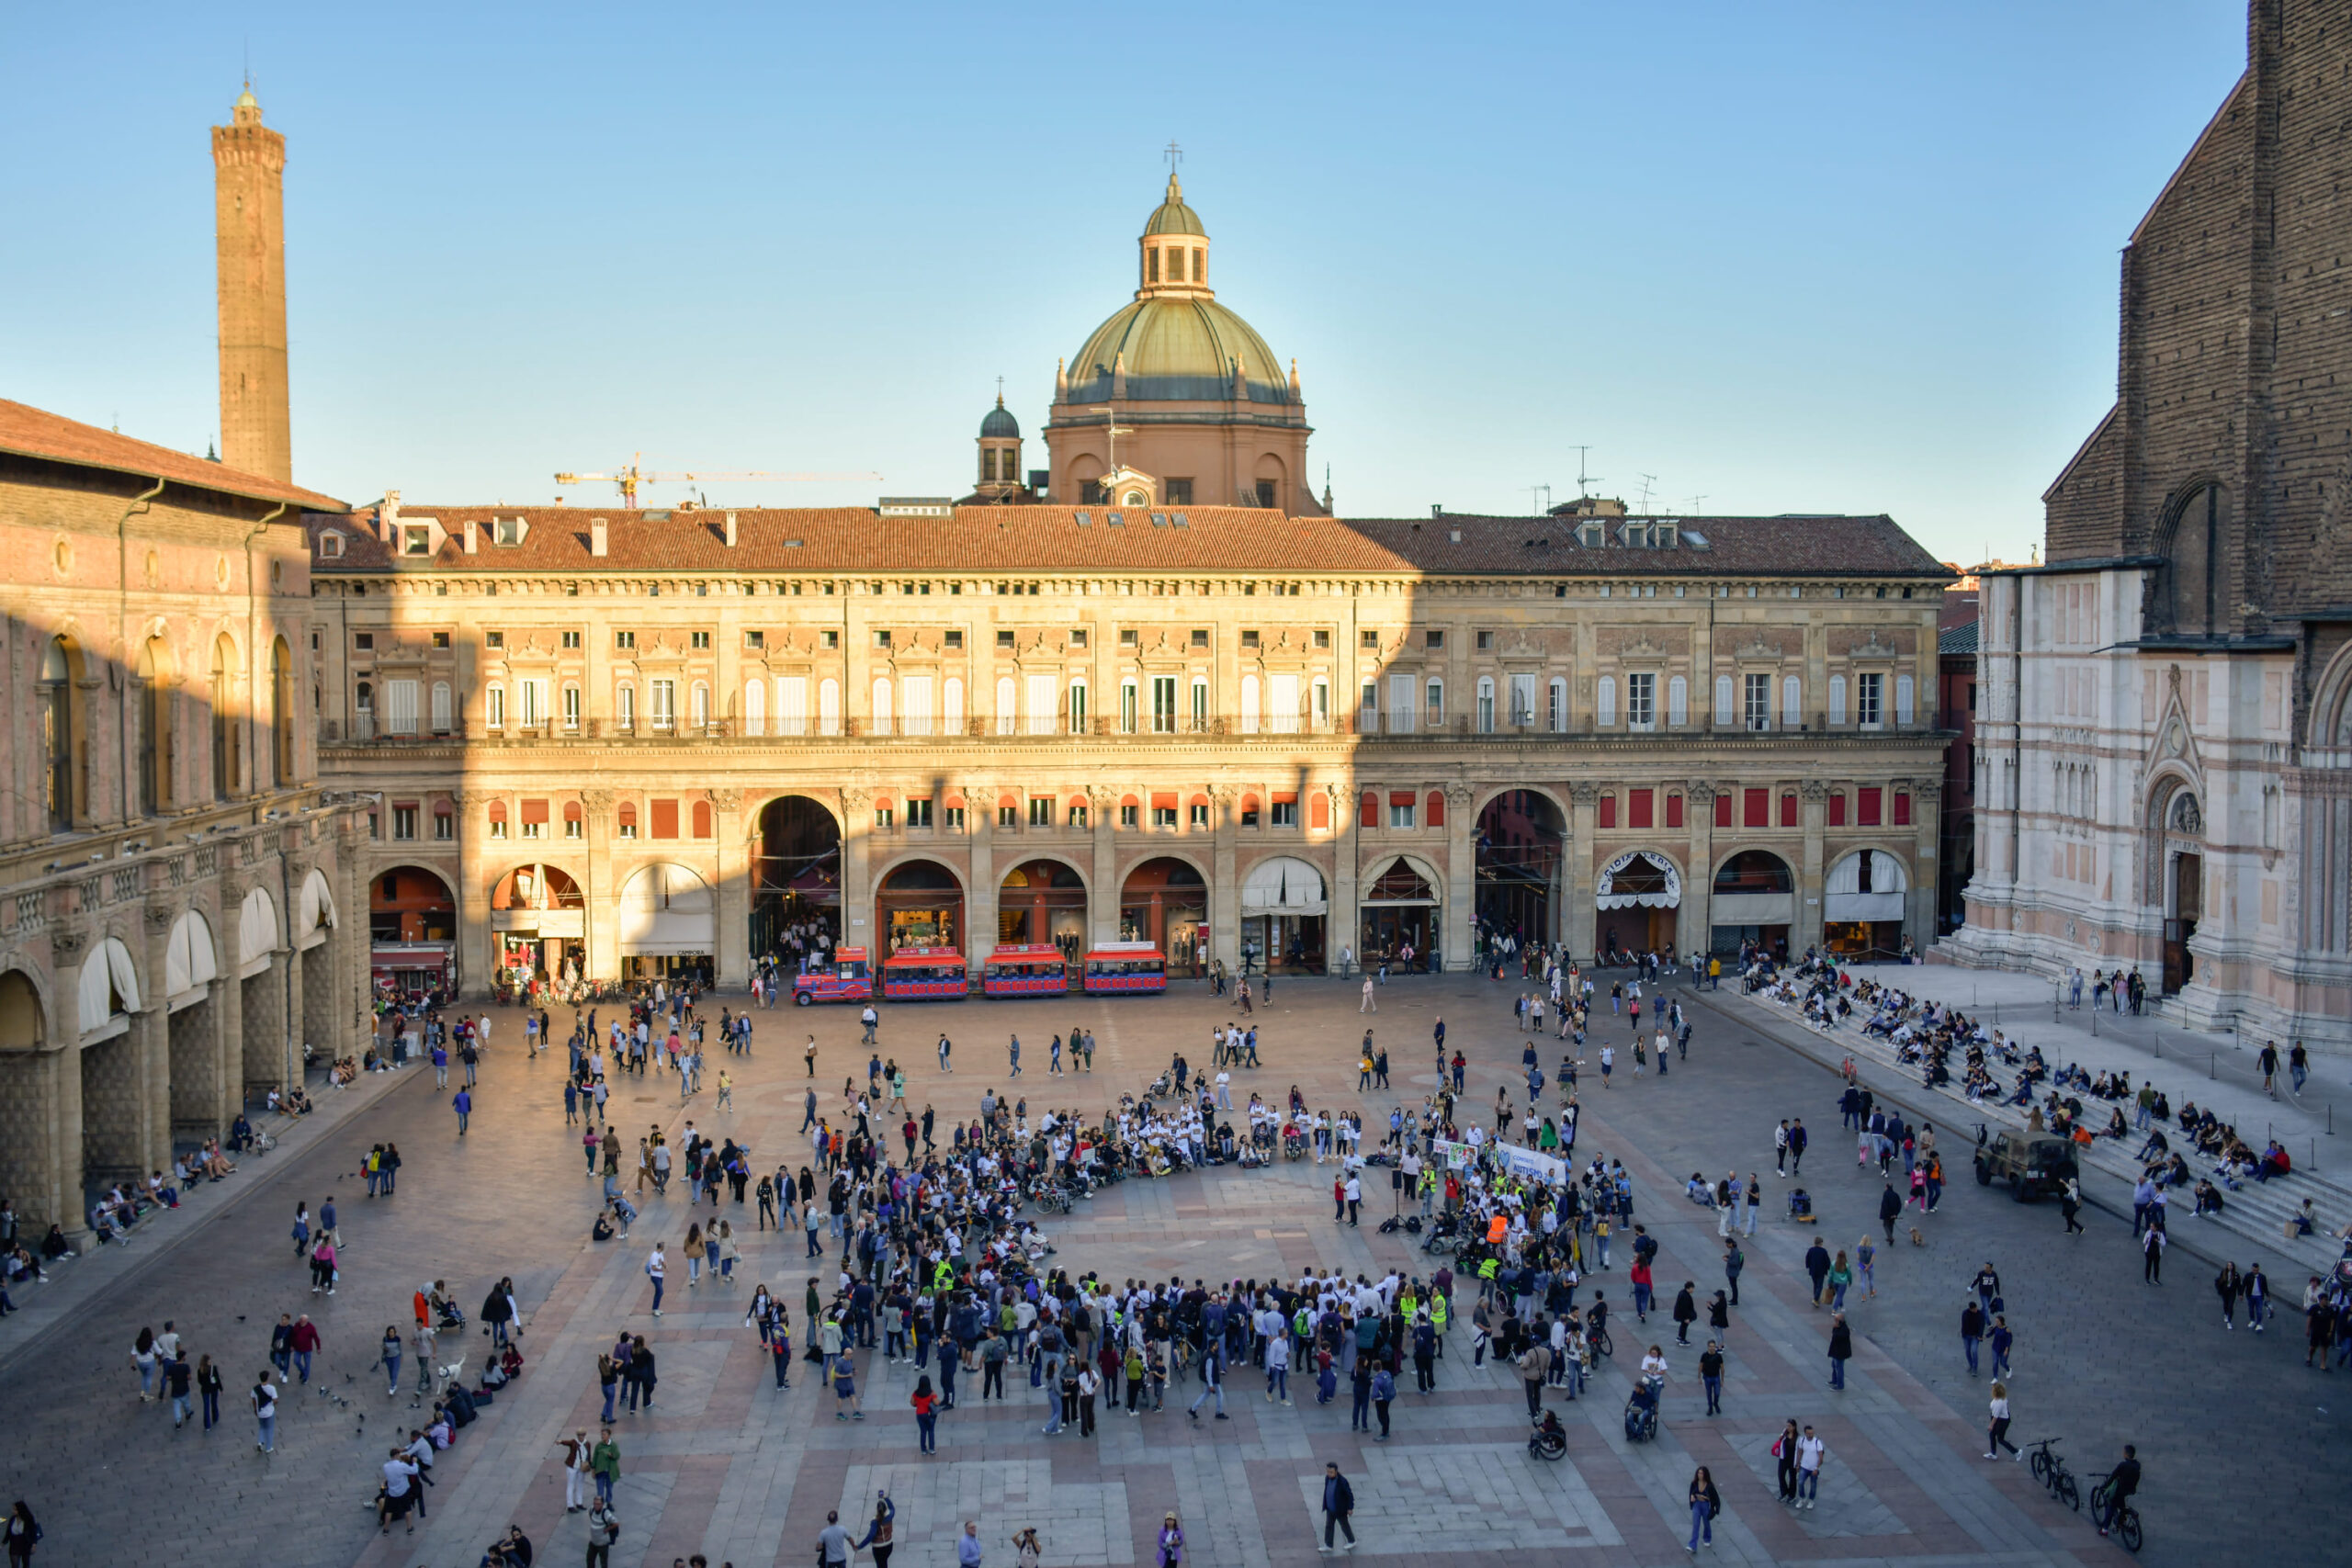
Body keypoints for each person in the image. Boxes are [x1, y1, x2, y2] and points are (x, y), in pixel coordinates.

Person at [2098, 1444, 2141, 1537]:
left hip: (2120, 1490)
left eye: (2123, 1452)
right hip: (2130, 1489)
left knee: (2111, 1505)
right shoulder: (2137, 1465)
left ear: (2126, 1454)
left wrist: (2104, 1486)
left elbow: (2113, 1477)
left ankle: (2104, 1530)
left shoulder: (2123, 1465)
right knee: (2121, 1504)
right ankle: (2122, 1519)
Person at [1320, 1461, 1356, 1552]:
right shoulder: (1327, 1478)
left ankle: (1352, 1541)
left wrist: (1350, 1508)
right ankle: (1328, 1545)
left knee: (1344, 1525)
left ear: (1336, 1471)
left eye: (1331, 1472)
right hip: (1330, 1508)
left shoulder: (1342, 1481)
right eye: (1328, 1472)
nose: (1329, 1474)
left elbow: (1349, 1495)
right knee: (1329, 1526)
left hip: (1340, 1509)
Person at [854, 1492, 898, 1568]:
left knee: (880, 1565)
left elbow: (871, 1536)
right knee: (884, 1563)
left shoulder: (875, 1522)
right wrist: (884, 1498)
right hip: (888, 1545)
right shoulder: (890, 1515)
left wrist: (860, 1546)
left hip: (878, 1548)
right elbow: (892, 1507)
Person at [1687, 1465, 1720, 1553]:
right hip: (1697, 1504)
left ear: (1705, 1475)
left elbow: (1714, 1498)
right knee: (1696, 1525)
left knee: (1706, 1523)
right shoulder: (1694, 1483)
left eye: (1701, 1473)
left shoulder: (1709, 1486)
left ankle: (1707, 1538)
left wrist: (1704, 1498)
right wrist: (1692, 1497)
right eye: (1698, 1473)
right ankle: (1692, 1545)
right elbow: (1691, 1493)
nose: (1699, 1475)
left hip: (1705, 1505)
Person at [1985, 1380, 2019, 1460]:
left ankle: (2016, 1452)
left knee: (2000, 1439)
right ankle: (1993, 1453)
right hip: (2002, 1419)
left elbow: (1995, 1416)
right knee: (1992, 1435)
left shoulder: (1998, 1403)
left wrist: (1991, 1425)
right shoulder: (2002, 1398)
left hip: (2001, 1421)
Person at [1795, 1425, 1827, 1508]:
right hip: (1804, 1466)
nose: (1811, 1435)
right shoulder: (1802, 1441)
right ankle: (1802, 1498)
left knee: (1813, 1485)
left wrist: (1817, 1468)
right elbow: (1800, 1452)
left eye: (1812, 1433)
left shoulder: (1817, 1443)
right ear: (1805, 1433)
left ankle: (1811, 1500)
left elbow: (1821, 1458)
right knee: (1800, 1482)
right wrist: (1798, 1464)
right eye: (1809, 1433)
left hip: (1813, 1468)